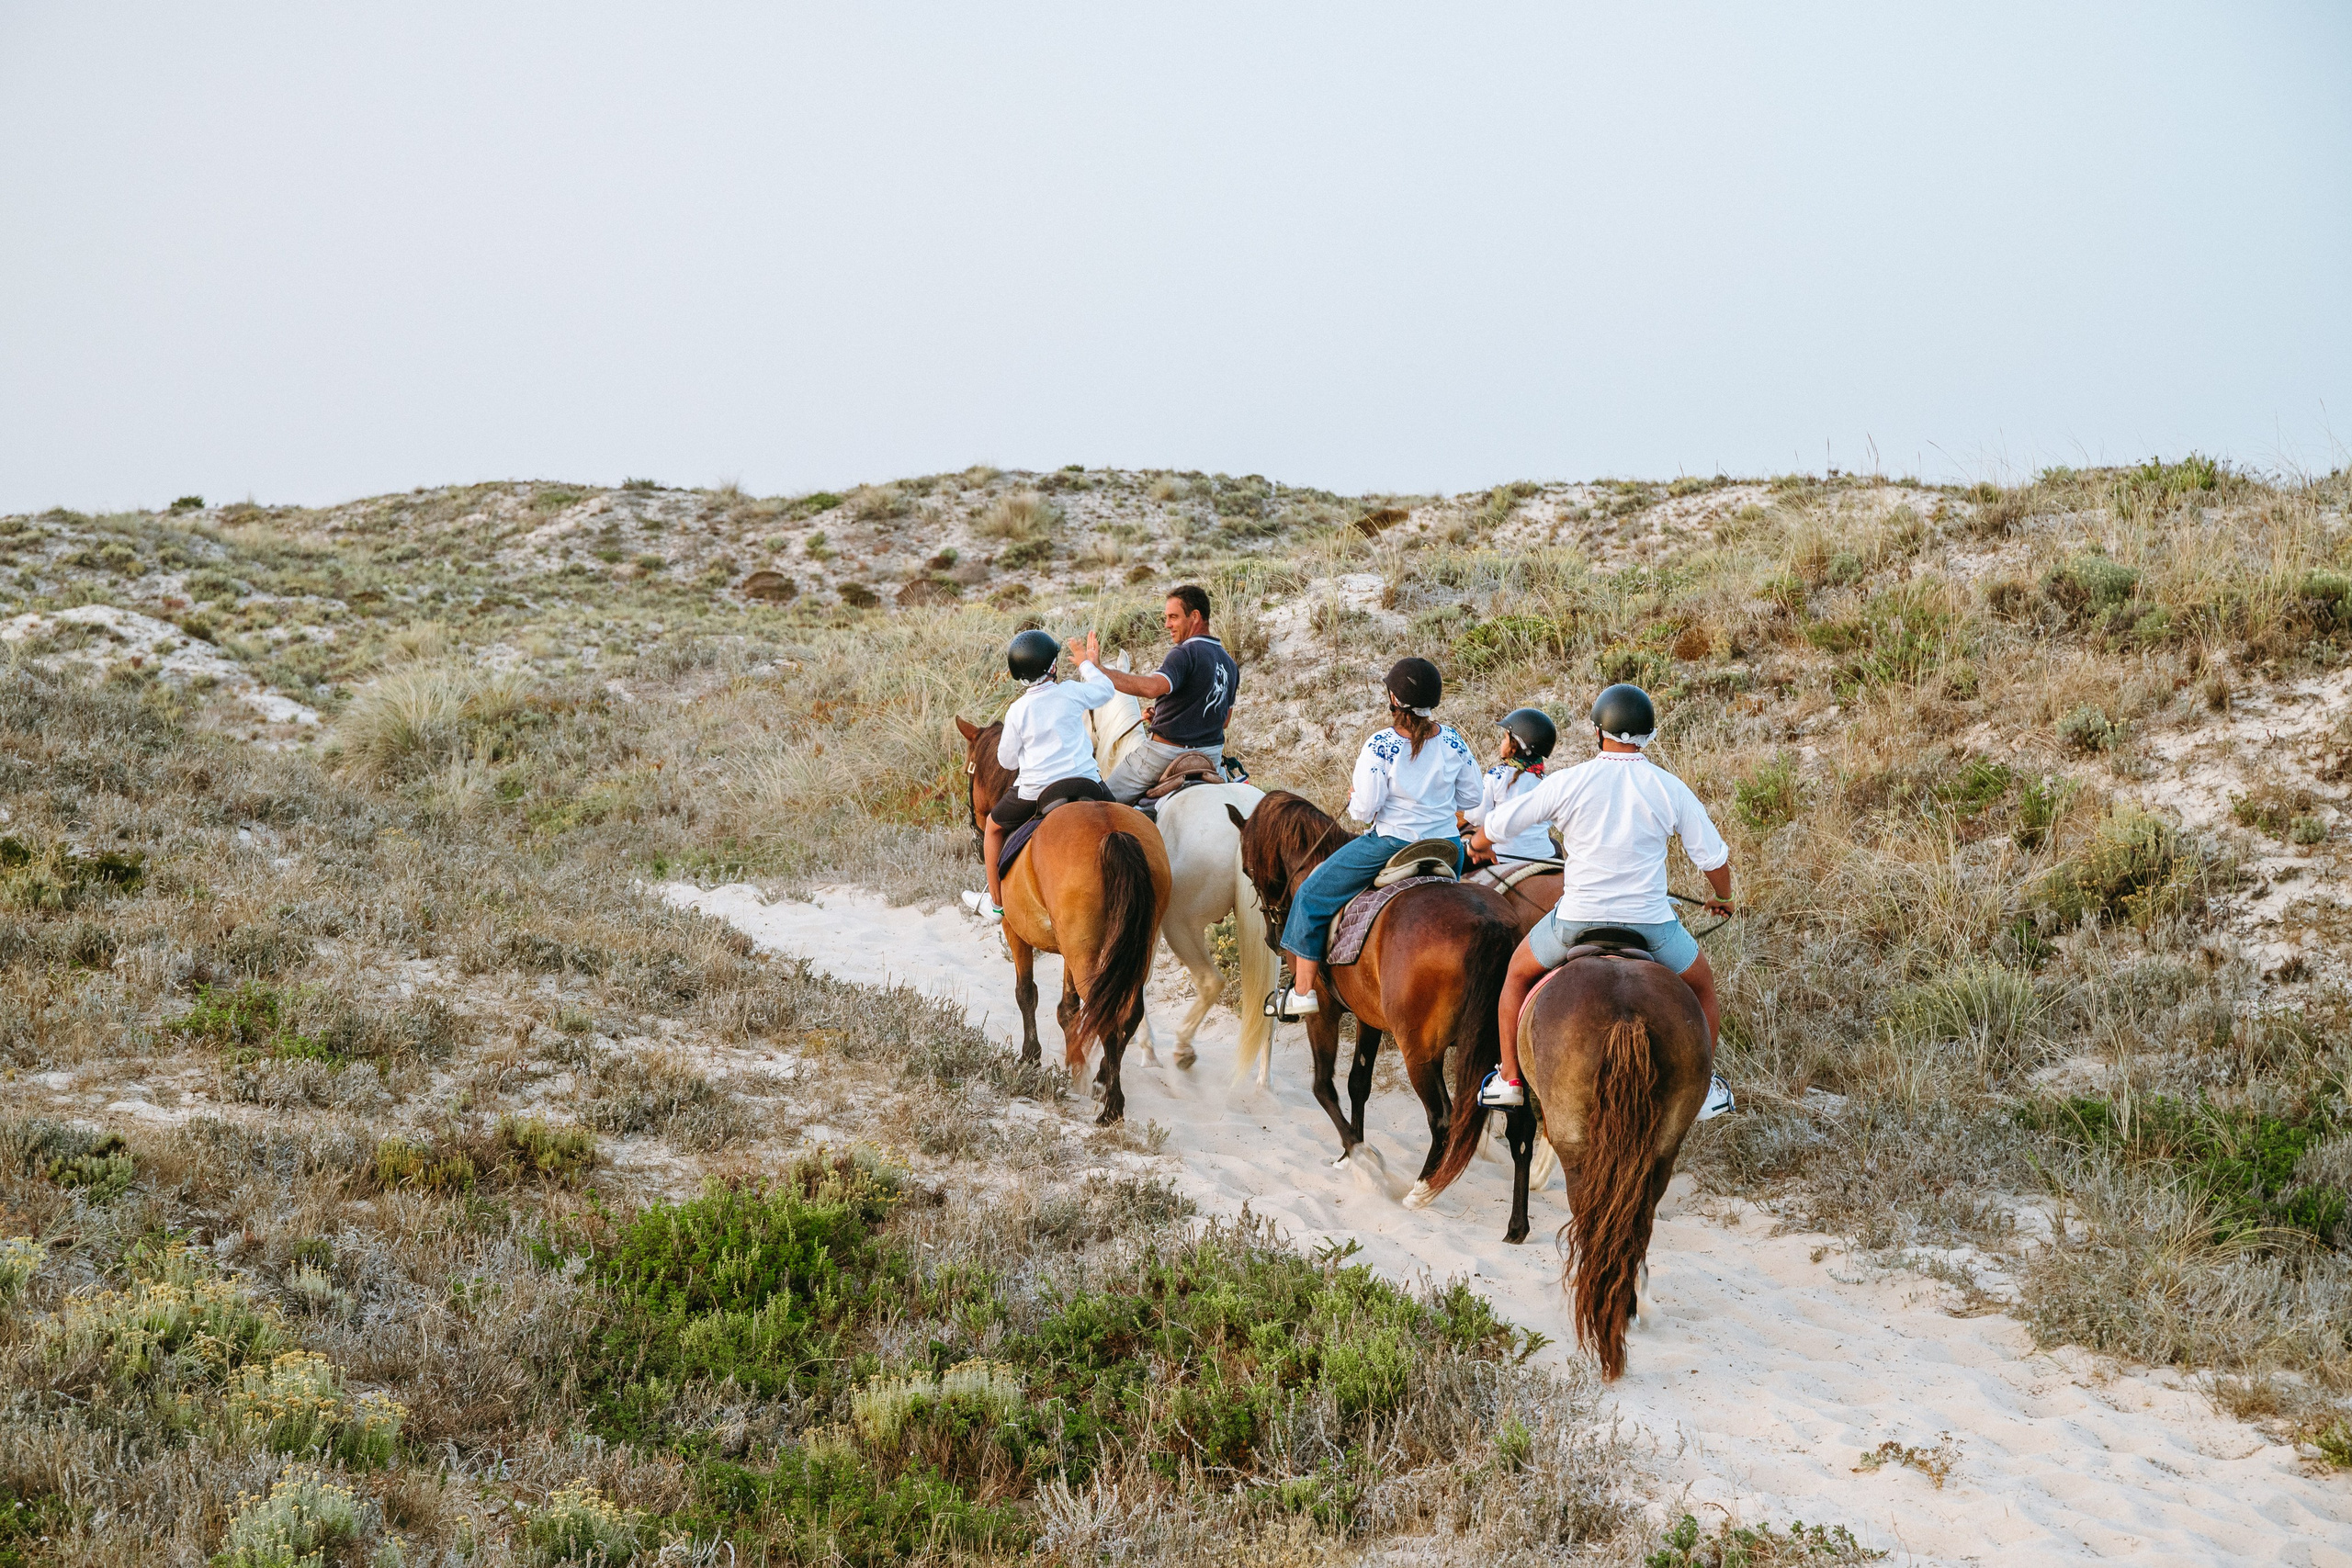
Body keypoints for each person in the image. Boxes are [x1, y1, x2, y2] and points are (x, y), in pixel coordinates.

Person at [1467, 682, 1736, 1119]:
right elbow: (1713, 856)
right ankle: (1704, 1090)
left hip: (1576, 920)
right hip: (1652, 924)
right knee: (1703, 987)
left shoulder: (1570, 781)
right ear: (1648, 735)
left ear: (1598, 731)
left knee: (1515, 977)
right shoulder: (1669, 787)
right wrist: (1722, 896)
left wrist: (1480, 840)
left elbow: (1502, 822)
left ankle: (1510, 1080)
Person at [1266, 657, 1483, 1020]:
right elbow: (1473, 798)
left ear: (1394, 701)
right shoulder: (1453, 741)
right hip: (1448, 849)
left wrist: (1356, 800)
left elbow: (1364, 811)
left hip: (1391, 844)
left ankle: (1302, 991)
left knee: (1310, 895)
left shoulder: (1380, 745)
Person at [961, 627, 1118, 924]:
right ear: (1053, 667)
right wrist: (1086, 663)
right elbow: (1106, 690)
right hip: (1088, 782)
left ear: (1018, 675)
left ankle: (996, 904)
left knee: (993, 826)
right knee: (1122, 819)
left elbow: (1006, 761)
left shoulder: (1017, 711)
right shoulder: (1071, 691)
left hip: (1036, 791)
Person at [1098, 584, 1242, 803]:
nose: (1167, 625)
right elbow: (1223, 721)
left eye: (1173, 617)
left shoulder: (1184, 653)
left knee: (1101, 804)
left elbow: (1151, 688)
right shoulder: (1230, 664)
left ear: (1194, 616)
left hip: (1164, 755)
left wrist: (1099, 670)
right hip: (1211, 757)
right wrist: (1168, 715)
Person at [1461, 706, 1558, 863]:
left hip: (1506, 856)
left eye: (1505, 738)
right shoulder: (1546, 781)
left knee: (1460, 865)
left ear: (1514, 745)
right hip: (1545, 855)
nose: (1501, 742)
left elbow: (1477, 817)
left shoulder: (1496, 776)